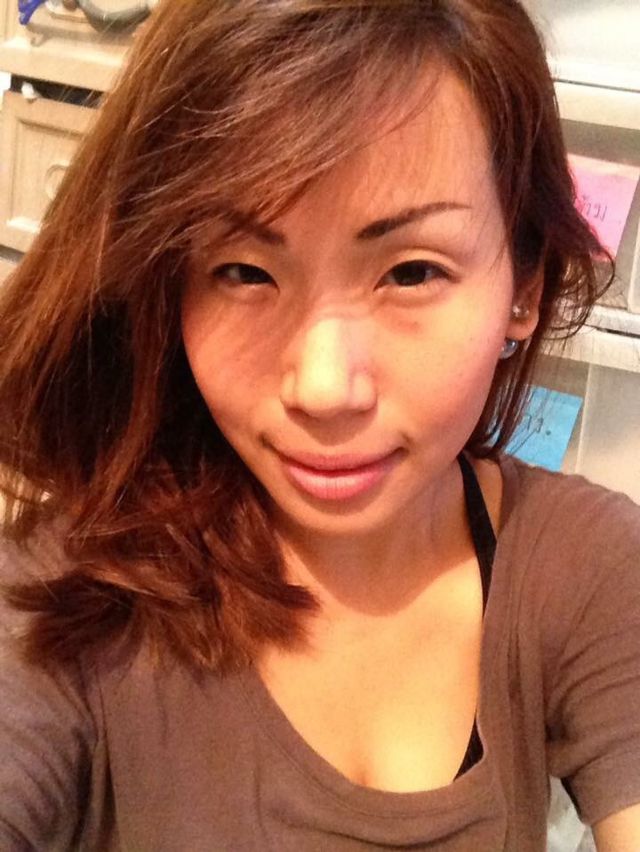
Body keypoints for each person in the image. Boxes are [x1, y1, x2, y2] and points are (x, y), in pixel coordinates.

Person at [0, 0, 639, 849]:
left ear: (522, 285)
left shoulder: (587, 569)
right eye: (242, 271)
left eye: (411, 272)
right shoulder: (70, 593)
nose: (325, 388)